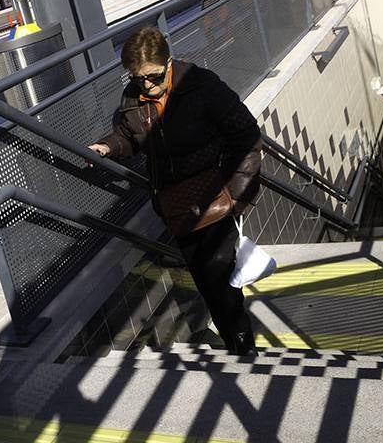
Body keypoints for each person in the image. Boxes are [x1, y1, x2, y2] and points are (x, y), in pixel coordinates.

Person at [89, 27, 264, 355]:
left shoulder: (202, 87)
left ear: (168, 63)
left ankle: (243, 347)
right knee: (204, 279)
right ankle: (233, 342)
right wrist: (107, 146)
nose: (147, 86)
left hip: (214, 199)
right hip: (175, 206)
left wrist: (235, 199)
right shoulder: (134, 97)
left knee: (220, 281)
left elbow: (247, 136)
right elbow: (129, 136)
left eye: (153, 77)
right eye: (138, 79)